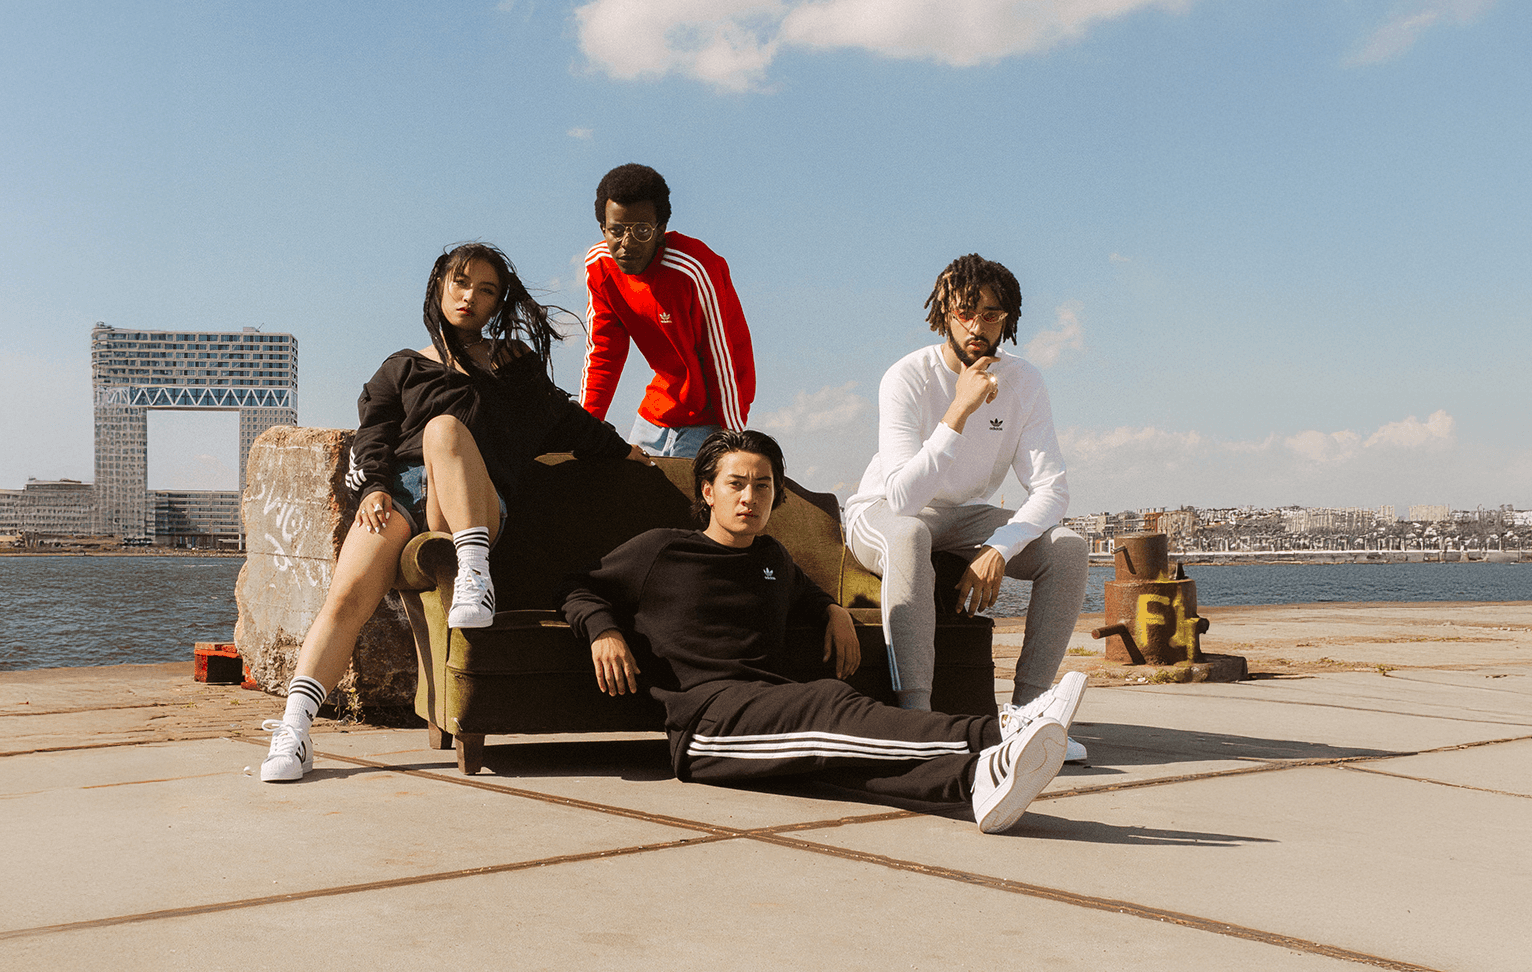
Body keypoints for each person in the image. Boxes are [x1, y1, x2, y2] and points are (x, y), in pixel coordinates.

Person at [560, 429, 1086, 833]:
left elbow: (805, 592)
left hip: (768, 708)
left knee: (848, 762)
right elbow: (578, 587)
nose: (749, 498)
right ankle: (1001, 732)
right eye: (735, 484)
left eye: (763, 486)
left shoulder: (772, 558)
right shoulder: (662, 549)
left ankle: (976, 782)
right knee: (829, 706)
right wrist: (603, 631)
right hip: (707, 724)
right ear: (708, 492)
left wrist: (833, 610)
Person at [261, 242, 646, 782]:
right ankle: (294, 731)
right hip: (403, 496)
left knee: (443, 429)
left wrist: (626, 452)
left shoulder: (513, 366)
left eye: (486, 290)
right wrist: (373, 488)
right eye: (460, 283)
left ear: (498, 303)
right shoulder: (402, 367)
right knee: (345, 599)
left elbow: (567, 420)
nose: (469, 297)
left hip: (473, 504)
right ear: (439, 286)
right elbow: (373, 435)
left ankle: (475, 574)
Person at [841, 254, 1090, 761]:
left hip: (963, 515)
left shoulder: (1024, 381)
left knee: (1068, 548)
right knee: (910, 534)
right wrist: (959, 408)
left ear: (1008, 320)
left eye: (991, 314)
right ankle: (917, 722)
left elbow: (1052, 489)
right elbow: (904, 499)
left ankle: (1028, 716)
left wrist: (999, 547)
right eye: (965, 312)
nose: (977, 326)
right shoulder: (907, 376)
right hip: (882, 509)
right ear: (944, 314)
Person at [581, 163, 755, 458]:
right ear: (603, 229)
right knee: (628, 482)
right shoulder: (600, 267)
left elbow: (723, 358)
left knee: (686, 488)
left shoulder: (694, 269)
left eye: (642, 230)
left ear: (661, 230)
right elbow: (604, 353)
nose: (627, 243)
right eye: (617, 230)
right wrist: (585, 426)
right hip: (657, 410)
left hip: (710, 414)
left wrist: (732, 436)